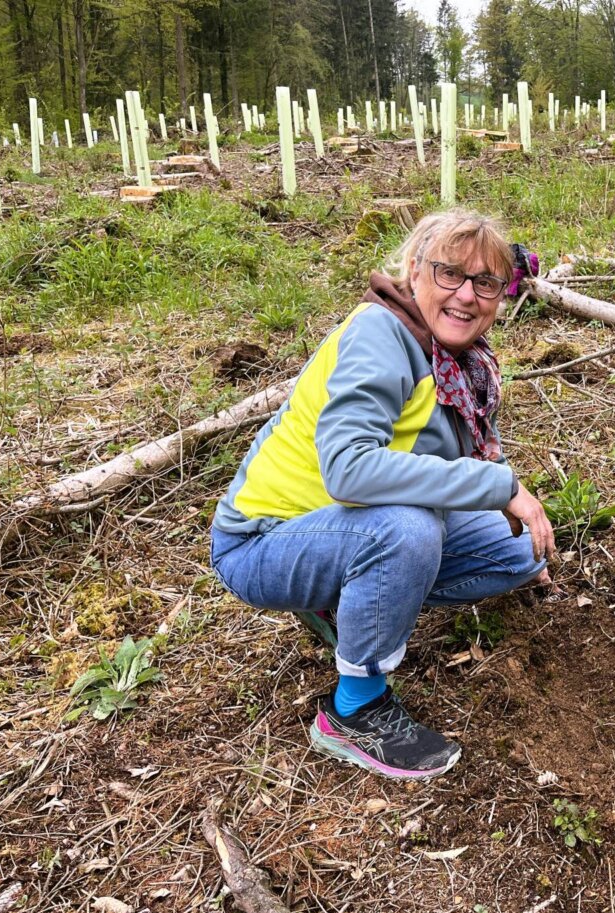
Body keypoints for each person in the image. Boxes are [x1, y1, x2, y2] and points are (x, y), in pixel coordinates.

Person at [210, 209, 556, 779]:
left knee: (518, 551)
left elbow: (438, 462)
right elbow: (349, 470)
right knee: (407, 528)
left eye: (486, 283)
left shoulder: (455, 362)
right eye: (450, 274)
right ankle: (354, 708)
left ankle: (345, 598)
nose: (467, 297)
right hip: (262, 541)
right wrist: (498, 483)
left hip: (337, 528)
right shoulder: (380, 334)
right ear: (415, 271)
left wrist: (496, 489)